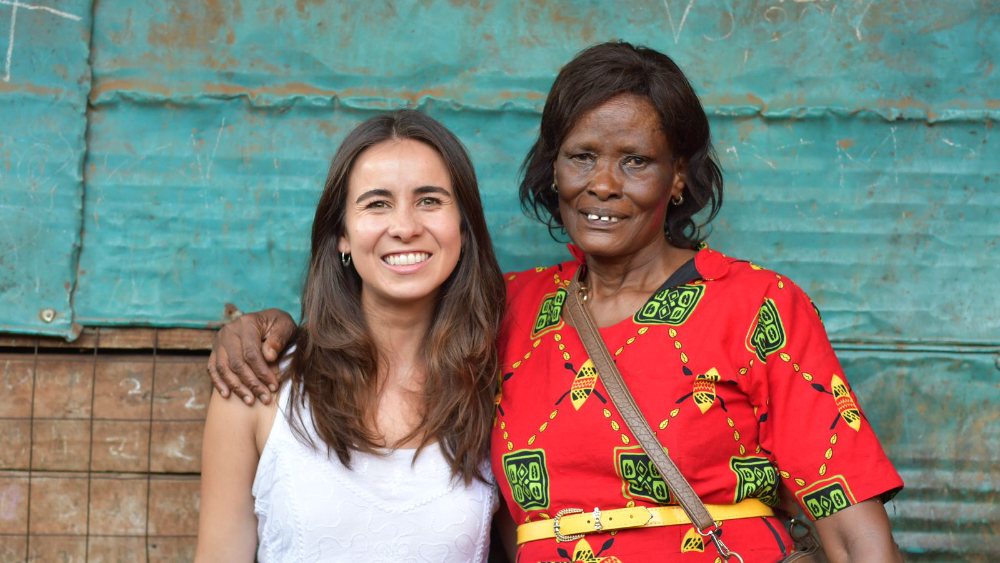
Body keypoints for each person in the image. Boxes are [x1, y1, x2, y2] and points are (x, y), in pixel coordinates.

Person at [207, 42, 904, 562]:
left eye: (636, 160)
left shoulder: (757, 306)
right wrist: (269, 331)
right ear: (553, 171)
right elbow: (390, 311)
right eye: (581, 157)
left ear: (680, 178)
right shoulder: (507, 311)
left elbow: (850, 529)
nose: (604, 183)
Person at [195, 109, 506, 562]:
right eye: (377, 203)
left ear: (463, 226)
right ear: (341, 233)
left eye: (430, 201)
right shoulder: (260, 385)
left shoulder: (499, 383)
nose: (404, 227)